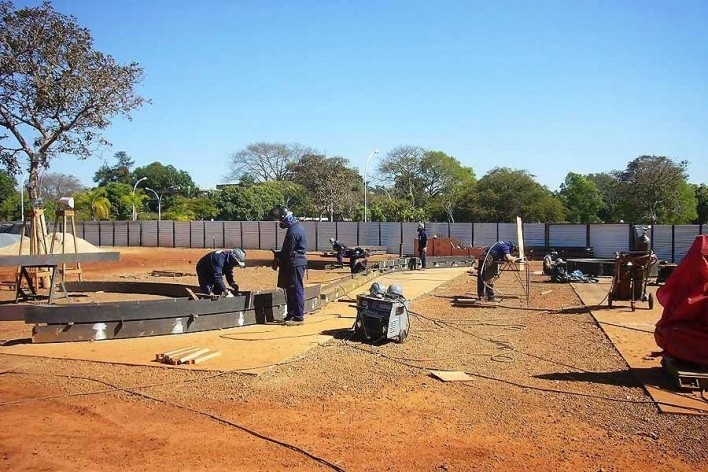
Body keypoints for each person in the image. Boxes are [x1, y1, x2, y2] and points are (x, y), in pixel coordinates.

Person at [272, 206, 308, 326]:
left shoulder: (293, 231)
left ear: (284, 218)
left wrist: (278, 258)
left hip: (295, 263)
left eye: (280, 220)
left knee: (296, 289)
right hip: (294, 262)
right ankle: (292, 314)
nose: (280, 223)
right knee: (291, 289)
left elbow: (288, 251)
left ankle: (298, 317)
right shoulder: (295, 227)